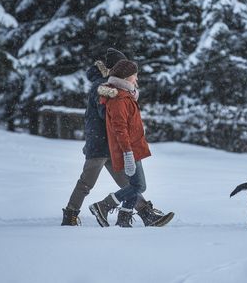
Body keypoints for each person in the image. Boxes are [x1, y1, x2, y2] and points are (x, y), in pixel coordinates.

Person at [61, 49, 173, 227]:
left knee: (129, 183)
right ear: (115, 69)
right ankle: (71, 215)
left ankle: (146, 214)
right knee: (86, 183)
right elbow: (109, 115)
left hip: (114, 145)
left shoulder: (114, 87)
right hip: (99, 144)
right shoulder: (104, 87)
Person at [89, 59, 159, 228]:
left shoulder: (125, 95)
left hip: (134, 146)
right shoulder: (119, 99)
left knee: (134, 185)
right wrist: (127, 153)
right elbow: (119, 129)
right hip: (128, 149)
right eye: (134, 76)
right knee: (139, 185)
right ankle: (103, 205)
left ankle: (124, 218)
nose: (136, 80)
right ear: (126, 78)